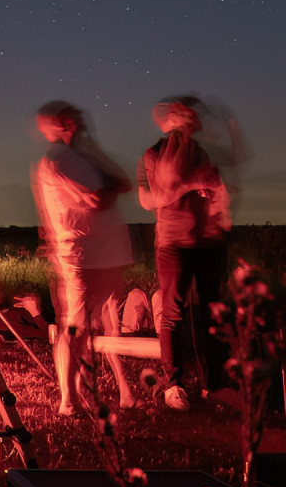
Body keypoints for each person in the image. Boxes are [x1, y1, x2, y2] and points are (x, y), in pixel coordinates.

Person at [31, 101, 135, 414]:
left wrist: (94, 153)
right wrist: (109, 183)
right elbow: (96, 199)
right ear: (64, 124)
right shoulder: (59, 158)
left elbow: (122, 184)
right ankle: (69, 401)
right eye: (77, 120)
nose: (84, 124)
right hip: (82, 255)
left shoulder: (80, 156)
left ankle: (83, 394)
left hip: (103, 254)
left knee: (87, 328)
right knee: (74, 328)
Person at [137, 96, 237, 412]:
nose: (194, 123)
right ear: (175, 120)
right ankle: (173, 385)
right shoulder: (153, 155)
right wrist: (191, 184)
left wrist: (211, 192)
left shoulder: (200, 152)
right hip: (173, 244)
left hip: (207, 242)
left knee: (211, 313)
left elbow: (213, 187)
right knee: (173, 315)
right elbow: (149, 200)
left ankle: (215, 385)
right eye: (188, 117)